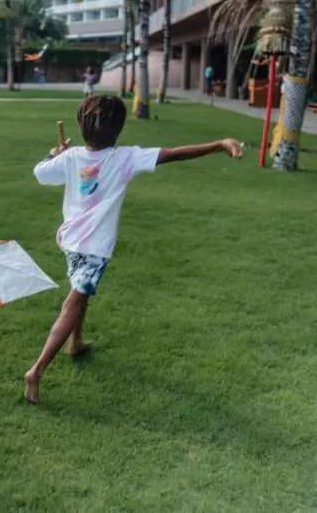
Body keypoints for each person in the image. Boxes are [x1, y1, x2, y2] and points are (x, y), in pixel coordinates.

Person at [24, 95, 244, 404]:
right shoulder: (125, 157)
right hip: (95, 248)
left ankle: (76, 341)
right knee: (74, 301)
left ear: (80, 124)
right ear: (119, 128)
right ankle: (36, 371)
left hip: (70, 242)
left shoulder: (71, 156)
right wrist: (218, 144)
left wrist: (54, 154)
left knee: (81, 291)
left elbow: (41, 173)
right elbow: (173, 154)